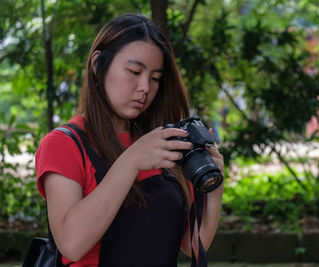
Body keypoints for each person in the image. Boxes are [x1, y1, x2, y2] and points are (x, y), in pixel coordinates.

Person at [35, 13, 224, 267]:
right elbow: (71, 243)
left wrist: (214, 183)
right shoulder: (64, 143)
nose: (145, 86)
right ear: (97, 64)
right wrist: (132, 160)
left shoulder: (162, 142)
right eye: (134, 71)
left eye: (155, 78)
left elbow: (193, 245)